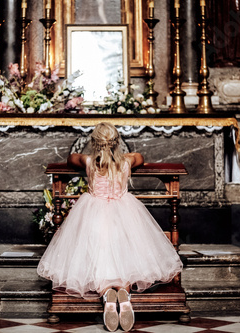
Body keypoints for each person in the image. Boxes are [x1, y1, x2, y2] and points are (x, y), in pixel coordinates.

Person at [37, 122, 183, 331]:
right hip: (124, 213)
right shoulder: (126, 162)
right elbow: (140, 157)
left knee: (98, 255)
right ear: (117, 143)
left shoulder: (88, 161)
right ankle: (124, 295)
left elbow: (71, 159)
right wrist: (124, 155)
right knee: (124, 254)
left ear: (94, 143)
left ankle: (106, 293)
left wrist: (89, 154)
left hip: (93, 215)